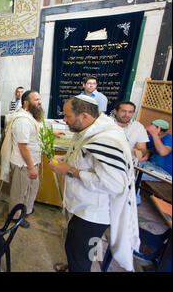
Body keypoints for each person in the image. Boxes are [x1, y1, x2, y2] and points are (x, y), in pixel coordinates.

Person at [48, 95, 139, 272]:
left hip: (94, 213)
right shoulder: (89, 129)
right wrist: (64, 159)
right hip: (84, 207)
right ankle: (73, 267)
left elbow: (113, 184)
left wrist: (69, 170)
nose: (64, 120)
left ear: (84, 116)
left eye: (68, 116)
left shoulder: (106, 139)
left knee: (79, 252)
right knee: (79, 249)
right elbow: (85, 158)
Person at [4, 90, 43, 228]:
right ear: (26, 103)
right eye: (36, 100)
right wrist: (31, 167)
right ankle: (15, 217)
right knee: (20, 193)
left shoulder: (30, 117)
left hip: (31, 162)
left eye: (39, 99)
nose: (39, 102)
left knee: (30, 189)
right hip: (24, 164)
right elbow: (23, 146)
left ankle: (26, 210)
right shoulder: (22, 121)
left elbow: (35, 133)